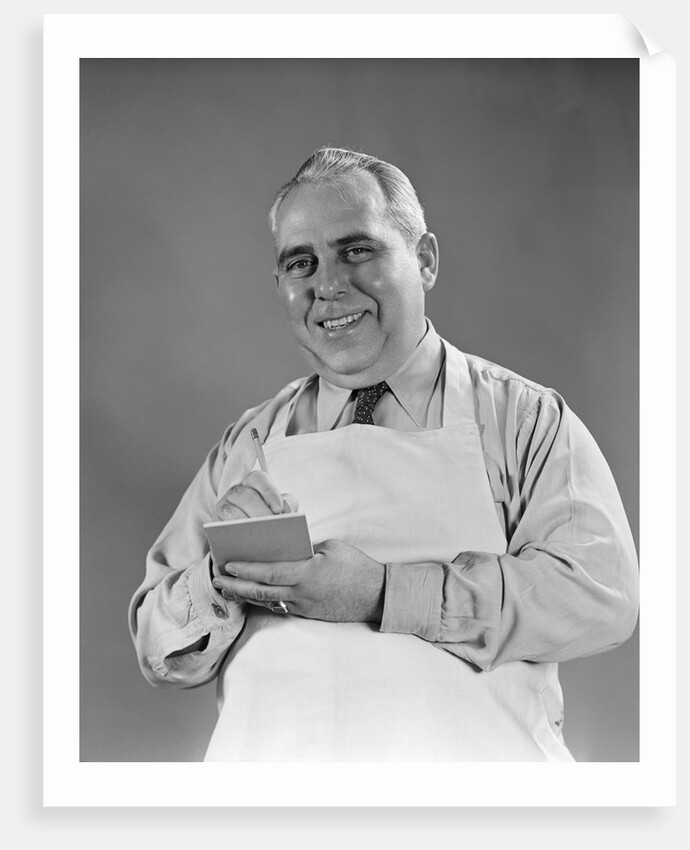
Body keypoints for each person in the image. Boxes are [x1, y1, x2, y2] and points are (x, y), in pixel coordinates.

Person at [129, 146, 639, 762]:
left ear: (423, 260)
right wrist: (218, 579)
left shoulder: (521, 420)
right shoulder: (250, 444)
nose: (327, 285)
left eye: (357, 250)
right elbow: (159, 649)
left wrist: (381, 593)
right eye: (301, 263)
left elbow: (600, 598)